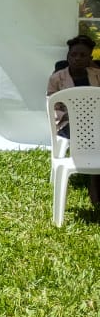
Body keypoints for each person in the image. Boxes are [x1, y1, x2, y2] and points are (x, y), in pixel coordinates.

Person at [47, 34, 100, 204]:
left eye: (83, 55)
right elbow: (52, 106)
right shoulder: (57, 78)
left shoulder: (97, 75)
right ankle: (94, 182)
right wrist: (74, 115)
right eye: (73, 55)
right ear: (68, 56)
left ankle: (94, 176)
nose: (77, 59)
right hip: (68, 123)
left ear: (90, 59)